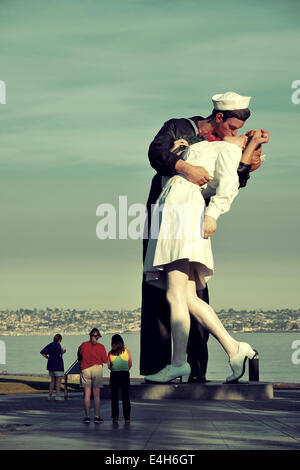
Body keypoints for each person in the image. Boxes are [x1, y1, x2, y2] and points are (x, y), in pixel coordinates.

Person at [140, 91, 270, 381]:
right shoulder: (192, 134)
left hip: (182, 210)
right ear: (220, 118)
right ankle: (234, 348)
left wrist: (213, 214)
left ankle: (180, 364)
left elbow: (229, 185)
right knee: (186, 296)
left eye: (241, 134)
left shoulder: (228, 149)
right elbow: (159, 154)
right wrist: (183, 155)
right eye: (234, 129)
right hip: (174, 209)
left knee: (177, 295)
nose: (237, 134)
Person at [77, 328, 108, 423]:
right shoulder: (101, 347)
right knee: (96, 395)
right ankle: (97, 416)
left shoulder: (83, 345)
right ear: (97, 337)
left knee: (87, 395)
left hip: (85, 369)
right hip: (97, 369)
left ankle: (87, 416)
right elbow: (105, 360)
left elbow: (79, 356)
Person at [107, 334, 132, 424]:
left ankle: (115, 417)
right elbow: (130, 365)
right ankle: (127, 418)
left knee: (115, 397)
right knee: (126, 397)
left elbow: (109, 366)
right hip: (125, 375)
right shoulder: (126, 352)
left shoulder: (110, 353)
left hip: (114, 375)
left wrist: (115, 368)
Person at [40, 333, 66, 401]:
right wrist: (63, 352)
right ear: (60, 340)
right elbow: (59, 355)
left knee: (52, 381)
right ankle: (58, 396)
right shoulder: (58, 345)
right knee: (58, 381)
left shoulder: (50, 345)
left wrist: (48, 357)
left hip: (50, 365)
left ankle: (50, 396)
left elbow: (42, 353)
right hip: (58, 365)